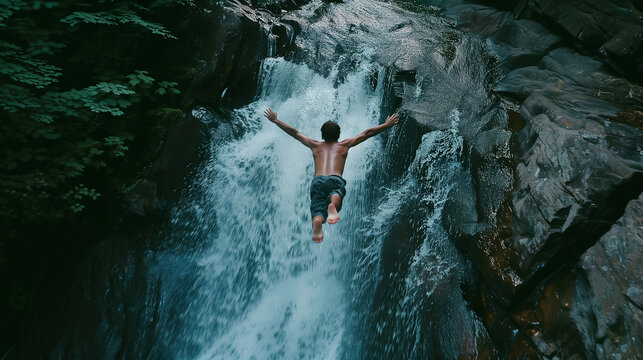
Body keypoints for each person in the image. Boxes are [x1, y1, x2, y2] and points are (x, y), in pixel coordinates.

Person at [264, 108, 400, 242]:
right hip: (335, 179)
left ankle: (318, 219)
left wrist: (276, 120)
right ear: (339, 134)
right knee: (336, 194)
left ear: (322, 135)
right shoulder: (344, 145)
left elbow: (294, 132)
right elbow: (367, 133)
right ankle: (333, 205)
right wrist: (386, 125)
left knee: (317, 207)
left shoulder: (315, 145)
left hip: (318, 181)